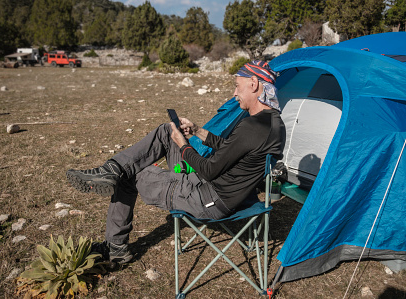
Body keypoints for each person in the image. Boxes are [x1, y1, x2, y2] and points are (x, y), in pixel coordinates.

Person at [66, 60, 285, 264]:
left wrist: (183, 144)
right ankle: (111, 168)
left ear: (254, 84)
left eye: (238, 86)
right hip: (218, 191)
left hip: (205, 198)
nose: (234, 93)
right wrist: (197, 131)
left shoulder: (251, 126)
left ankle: (115, 246)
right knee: (166, 131)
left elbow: (209, 170)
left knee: (131, 175)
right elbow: (232, 148)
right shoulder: (274, 124)